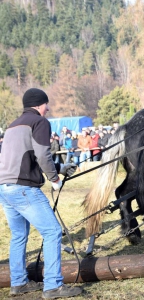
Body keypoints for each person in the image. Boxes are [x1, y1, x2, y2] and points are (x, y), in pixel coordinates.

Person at [0, 88, 82, 298]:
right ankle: (53, 286)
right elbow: (42, 154)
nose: (48, 108)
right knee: (53, 232)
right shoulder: (40, 122)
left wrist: (59, 168)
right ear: (38, 105)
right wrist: (55, 179)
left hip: (5, 187)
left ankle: (18, 283)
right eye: (46, 104)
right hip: (23, 188)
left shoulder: (13, 125)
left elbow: (29, 156)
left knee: (18, 235)